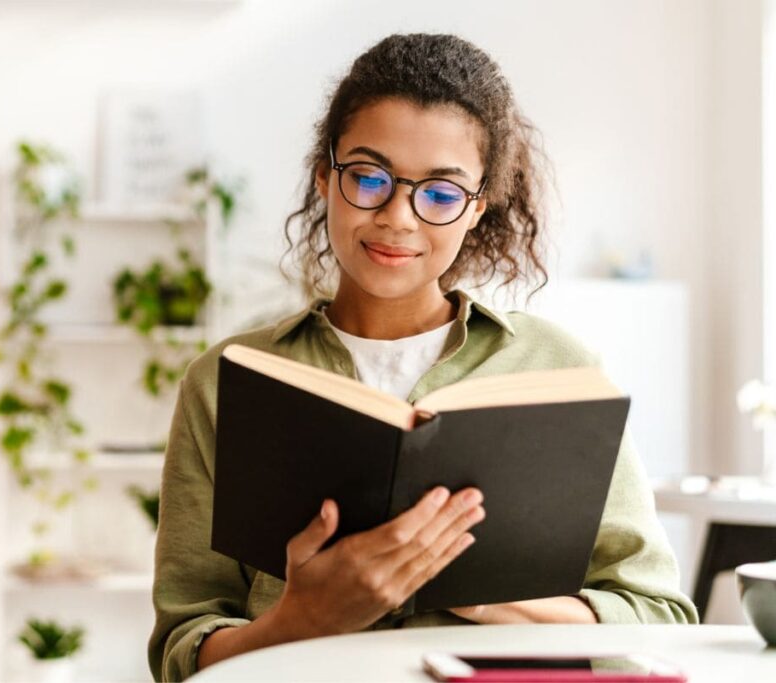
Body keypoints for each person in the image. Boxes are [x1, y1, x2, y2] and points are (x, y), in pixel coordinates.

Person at [147, 33, 698, 683]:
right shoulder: (226, 381)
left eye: (439, 193)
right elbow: (181, 653)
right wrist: (306, 615)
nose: (398, 218)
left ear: (478, 207)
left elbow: (658, 617)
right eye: (369, 178)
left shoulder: (559, 368)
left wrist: (479, 592)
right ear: (325, 177)